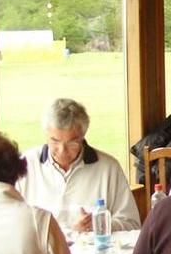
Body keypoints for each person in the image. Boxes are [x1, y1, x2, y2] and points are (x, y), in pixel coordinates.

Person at [17, 98, 140, 232]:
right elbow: (10, 220)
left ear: (83, 136)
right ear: (46, 135)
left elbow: (132, 224)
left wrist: (97, 225)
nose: (62, 150)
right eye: (55, 141)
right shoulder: (26, 164)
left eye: (72, 143)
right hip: (40, 251)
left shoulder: (108, 168)